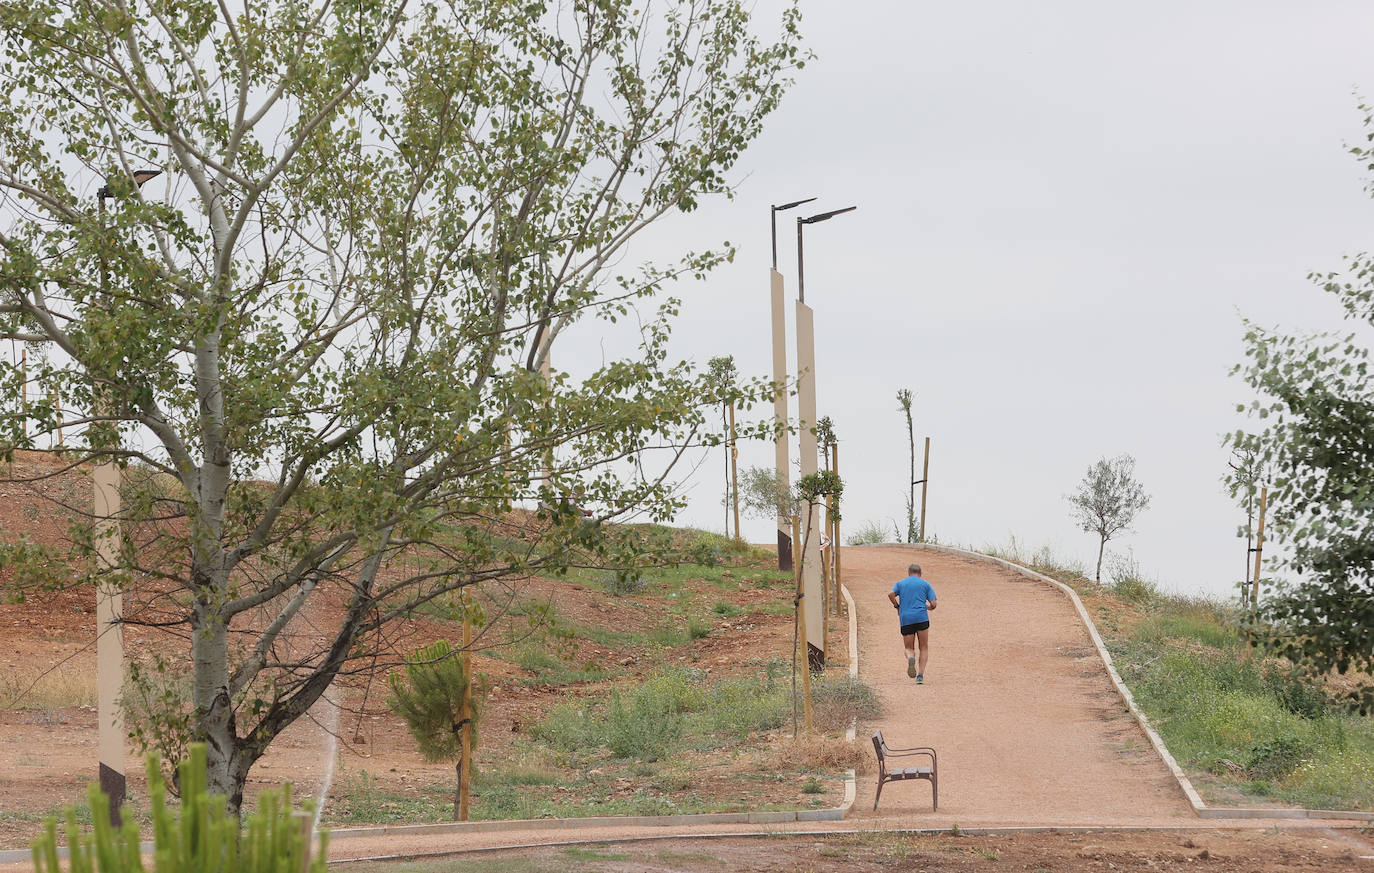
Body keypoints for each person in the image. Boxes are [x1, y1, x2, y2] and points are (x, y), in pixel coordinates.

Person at [888, 562, 937, 683]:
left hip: (906, 618)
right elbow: (934, 603)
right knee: (924, 647)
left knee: (909, 647)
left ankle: (911, 658)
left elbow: (890, 594)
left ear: (909, 573)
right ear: (920, 574)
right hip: (921, 617)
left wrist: (896, 605)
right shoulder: (925, 584)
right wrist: (929, 607)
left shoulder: (901, 583)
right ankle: (920, 676)